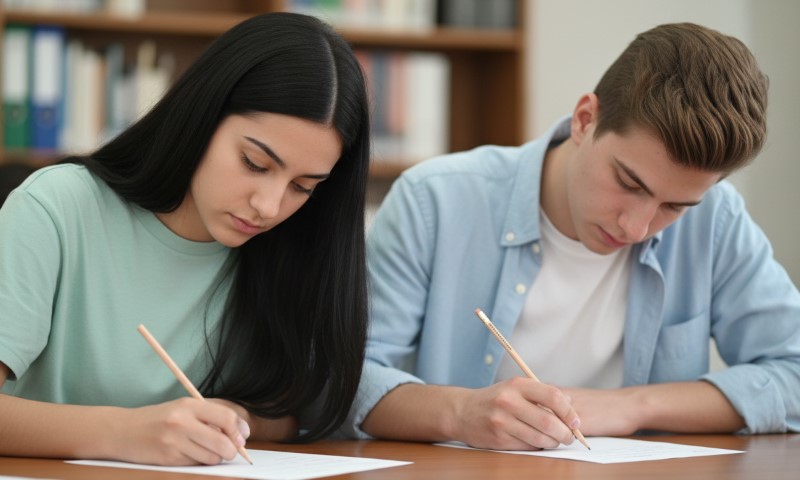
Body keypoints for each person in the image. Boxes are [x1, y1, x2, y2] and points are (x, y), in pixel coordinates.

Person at [342, 22, 800, 449]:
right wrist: (462, 413)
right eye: (629, 183)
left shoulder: (715, 220)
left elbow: (793, 370)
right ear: (585, 119)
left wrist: (632, 406)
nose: (636, 227)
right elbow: (339, 380)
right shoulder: (434, 202)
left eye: (674, 206)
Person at [0, 12, 370, 465]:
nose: (269, 207)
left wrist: (234, 416)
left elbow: (292, 411)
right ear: (201, 115)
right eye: (255, 163)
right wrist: (126, 433)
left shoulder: (293, 245)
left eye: (303, 186)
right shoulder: (57, 207)